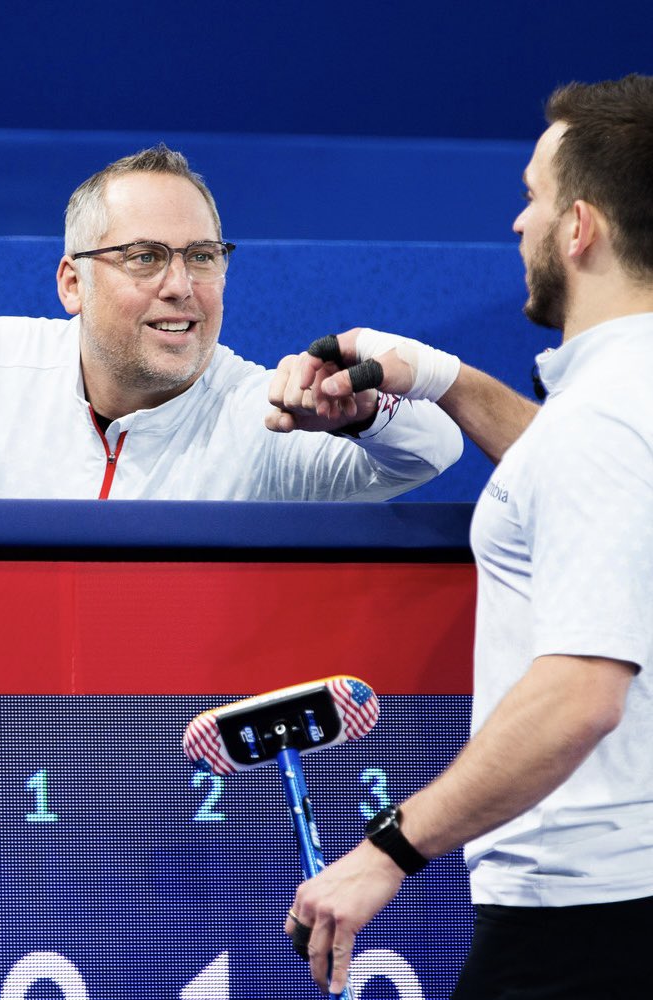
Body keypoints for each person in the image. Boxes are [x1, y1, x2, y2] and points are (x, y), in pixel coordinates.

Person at [281, 74, 653, 998]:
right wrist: (441, 377)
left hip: (586, 927)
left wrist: (386, 852)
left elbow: (579, 697)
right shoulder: (619, 412)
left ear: (580, 229)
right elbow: (592, 507)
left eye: (533, 198)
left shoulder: (606, 418)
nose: (518, 225)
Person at [0, 145, 462, 499]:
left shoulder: (264, 416)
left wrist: (364, 414)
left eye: (202, 256)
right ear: (72, 284)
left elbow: (433, 449)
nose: (181, 286)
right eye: (145, 257)